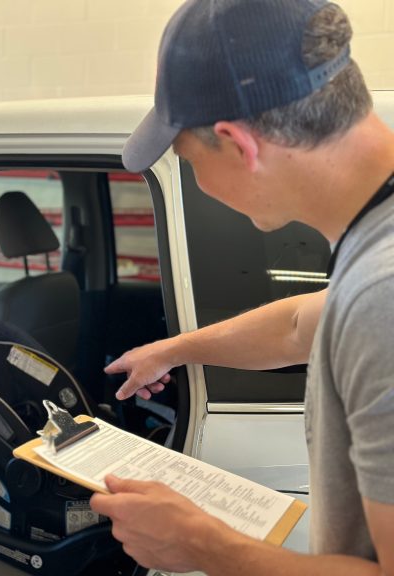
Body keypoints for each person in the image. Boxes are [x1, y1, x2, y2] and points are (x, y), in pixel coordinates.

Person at [90, 0, 394, 574]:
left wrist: (204, 546)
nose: (198, 182)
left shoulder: (384, 293)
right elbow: (303, 323)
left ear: (238, 143)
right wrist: (171, 350)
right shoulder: (376, 241)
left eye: (185, 158)